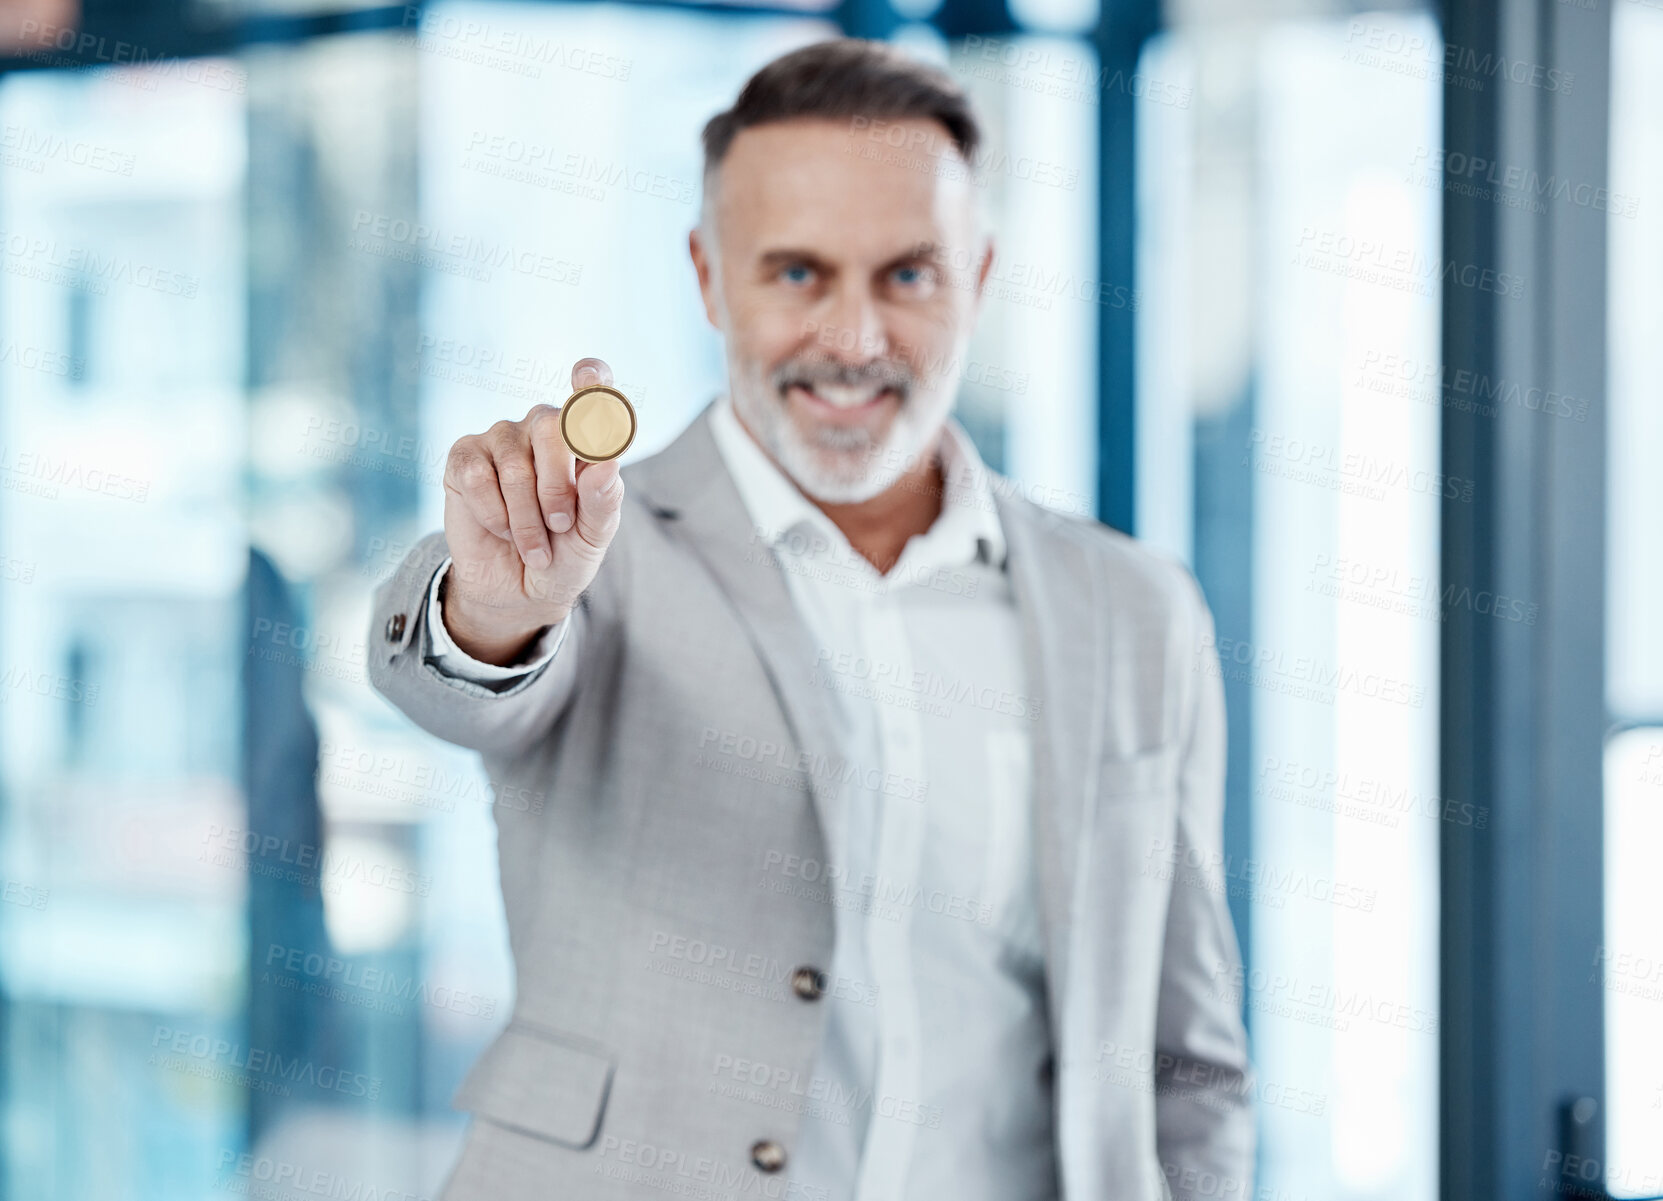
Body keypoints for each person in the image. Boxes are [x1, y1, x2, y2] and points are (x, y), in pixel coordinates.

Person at [367, 37, 1253, 1201]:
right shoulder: (599, 562)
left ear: (977, 277)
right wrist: (489, 609)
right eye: (796, 274)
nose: (851, 337)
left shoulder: (1137, 612)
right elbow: (461, 681)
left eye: (906, 275)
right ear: (708, 276)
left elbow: (1185, 1063)